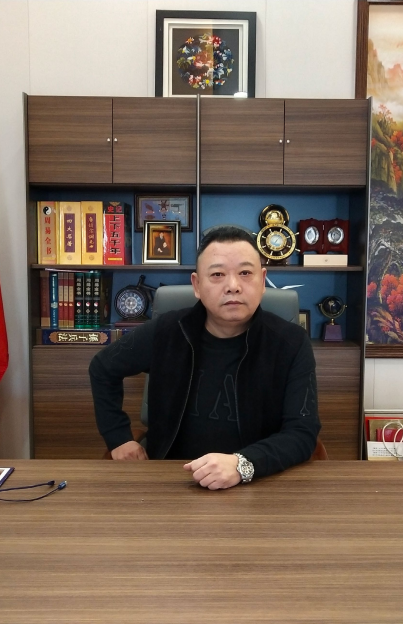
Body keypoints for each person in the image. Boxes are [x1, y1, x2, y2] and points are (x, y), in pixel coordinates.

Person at [89, 225, 320, 490]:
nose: (233, 286)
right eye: (217, 274)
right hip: (171, 480)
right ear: (197, 285)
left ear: (262, 280)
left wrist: (242, 464)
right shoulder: (166, 332)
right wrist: (118, 438)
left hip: (258, 482)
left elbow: (302, 432)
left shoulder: (291, 342)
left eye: (245, 273)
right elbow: (102, 368)